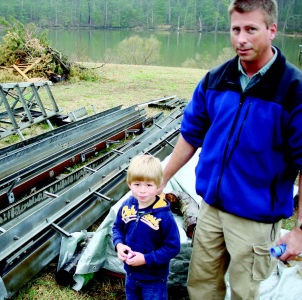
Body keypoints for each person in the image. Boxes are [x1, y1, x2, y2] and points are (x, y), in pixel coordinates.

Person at [157, 0, 302, 299]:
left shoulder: (293, 89)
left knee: (244, 291)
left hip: (256, 218)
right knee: (201, 285)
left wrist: (300, 230)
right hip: (210, 208)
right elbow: (190, 134)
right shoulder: (215, 79)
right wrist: (162, 176)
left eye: (251, 29)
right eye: (236, 29)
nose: (241, 39)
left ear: (272, 30)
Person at [112, 154, 181, 300]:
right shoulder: (127, 206)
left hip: (154, 280)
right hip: (130, 275)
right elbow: (117, 227)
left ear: (159, 185)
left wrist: (146, 259)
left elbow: (172, 247)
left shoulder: (164, 217)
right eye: (137, 184)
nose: (142, 190)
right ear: (129, 183)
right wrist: (119, 245)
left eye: (149, 185)